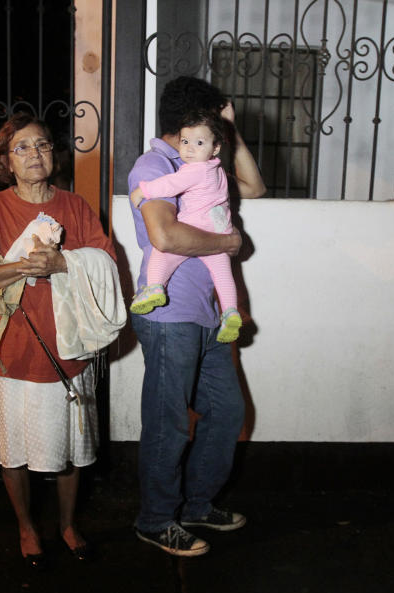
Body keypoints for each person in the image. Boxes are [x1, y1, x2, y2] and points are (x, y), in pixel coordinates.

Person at [0, 113, 120, 569]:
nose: (36, 154)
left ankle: (67, 524)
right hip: (12, 351)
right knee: (14, 447)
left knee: (69, 450)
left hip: (66, 349)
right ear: (6, 162)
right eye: (23, 148)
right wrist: (24, 267)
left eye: (44, 145)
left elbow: (106, 262)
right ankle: (27, 526)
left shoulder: (75, 205)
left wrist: (63, 263)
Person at [127, 76, 266, 557]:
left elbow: (256, 185)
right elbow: (165, 237)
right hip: (169, 315)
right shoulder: (156, 164)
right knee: (169, 422)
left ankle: (196, 505)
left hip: (206, 316)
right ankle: (155, 519)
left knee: (226, 413)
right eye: (212, 121)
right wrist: (228, 243)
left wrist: (231, 134)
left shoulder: (202, 158)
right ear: (190, 123)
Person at [128, 108, 242, 343]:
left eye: (199, 143)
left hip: (197, 227)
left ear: (216, 147)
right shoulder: (217, 169)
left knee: (162, 253)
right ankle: (230, 312)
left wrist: (144, 190)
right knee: (222, 275)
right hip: (220, 229)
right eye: (185, 141)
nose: (189, 148)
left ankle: (156, 287)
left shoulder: (196, 170)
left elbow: (171, 183)